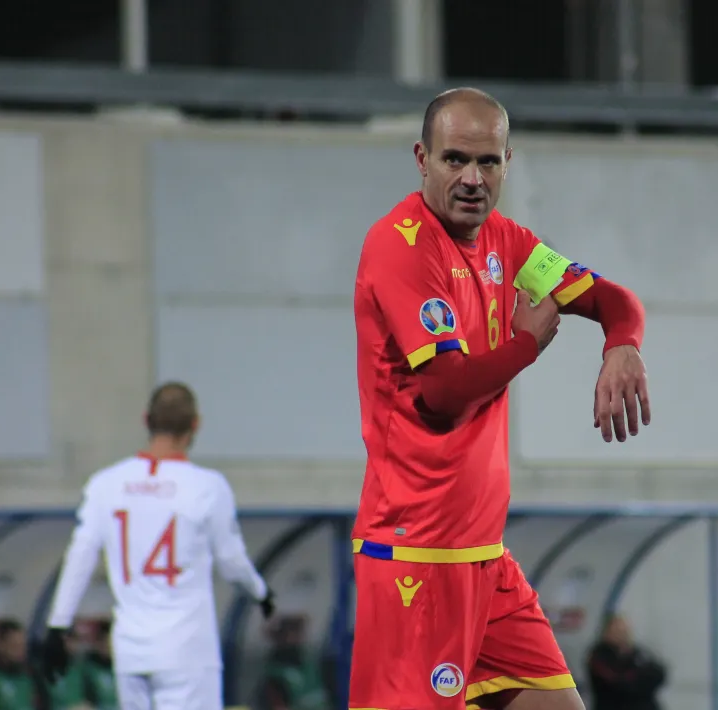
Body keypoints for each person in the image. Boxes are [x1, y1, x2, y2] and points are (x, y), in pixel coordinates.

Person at [349, 87, 650, 710]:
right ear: (421, 159)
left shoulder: (508, 245)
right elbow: (444, 392)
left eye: (488, 162)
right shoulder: (401, 245)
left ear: (508, 162)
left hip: (484, 558)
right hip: (417, 558)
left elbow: (613, 299)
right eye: (455, 159)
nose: (471, 178)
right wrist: (525, 345)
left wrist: (623, 344)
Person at [40, 382, 276, 710]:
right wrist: (260, 593)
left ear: (145, 420)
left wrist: (58, 624)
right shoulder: (207, 486)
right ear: (196, 425)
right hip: (187, 651)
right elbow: (230, 560)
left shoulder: (105, 484)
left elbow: (81, 555)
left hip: (130, 652)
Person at [586, 615, 667, 710]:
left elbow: (659, 674)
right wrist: (639, 680)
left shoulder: (639, 653)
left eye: (625, 631)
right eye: (618, 631)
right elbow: (618, 683)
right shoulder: (598, 656)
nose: (622, 635)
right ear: (607, 632)